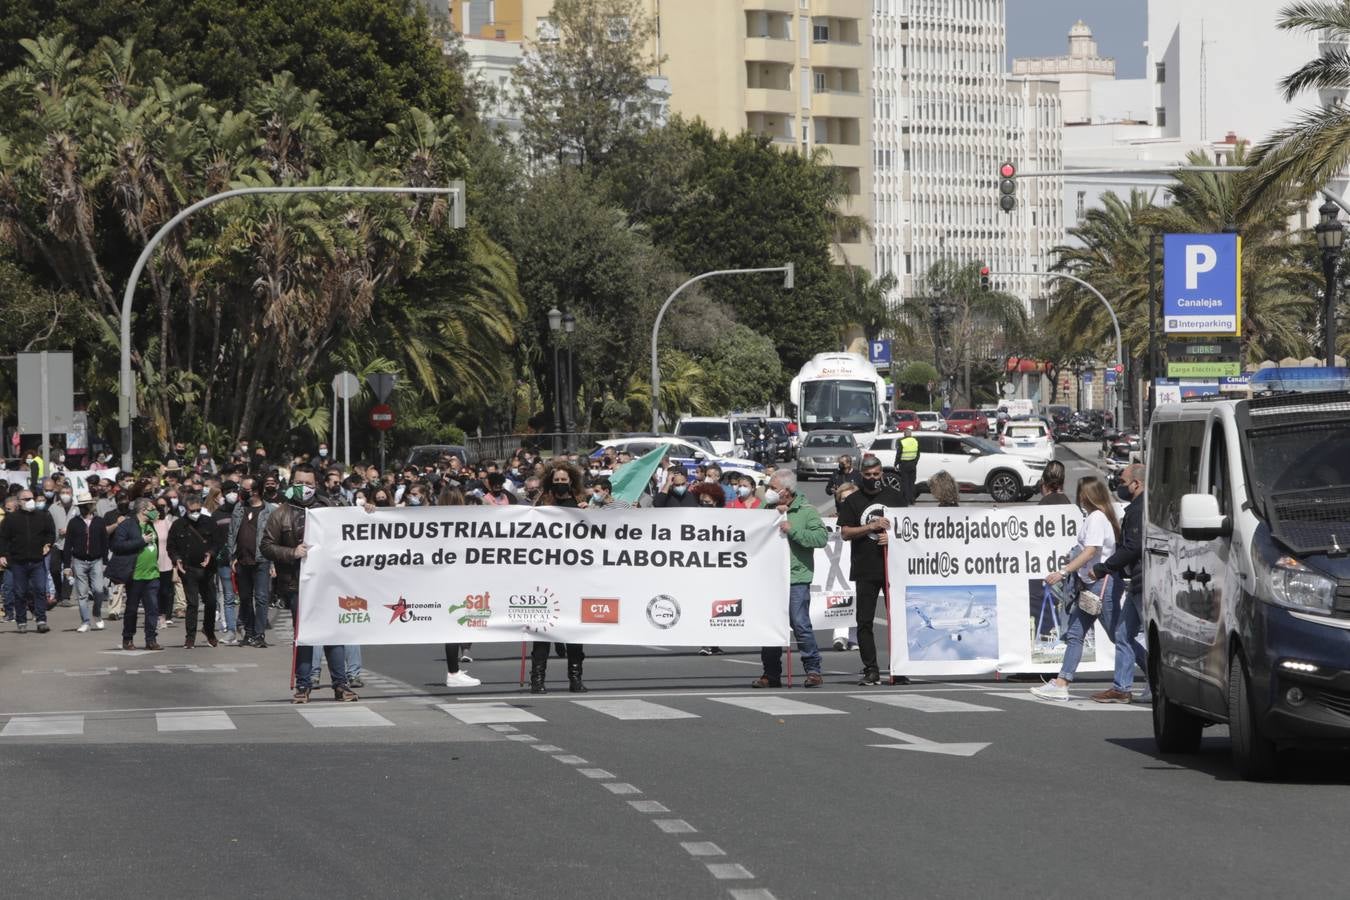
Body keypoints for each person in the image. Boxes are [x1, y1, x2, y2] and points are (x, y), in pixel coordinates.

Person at [262, 464, 357, 703]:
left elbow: (352, 528)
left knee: (332, 633)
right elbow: (266, 546)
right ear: (291, 483)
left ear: (316, 485)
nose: (304, 488)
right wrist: (291, 552)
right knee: (304, 634)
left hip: (327, 583)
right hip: (296, 584)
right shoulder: (280, 513)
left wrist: (367, 511)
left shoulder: (328, 508)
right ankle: (303, 685)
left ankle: (340, 684)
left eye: (308, 484)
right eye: (299, 483)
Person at [1030, 477, 1120, 702]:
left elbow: (1091, 551)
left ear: (1086, 495)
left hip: (1099, 585)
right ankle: (1062, 683)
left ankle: (1154, 676)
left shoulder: (1096, 518)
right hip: (1091, 585)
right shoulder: (1095, 517)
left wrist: (1063, 571)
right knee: (1075, 634)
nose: (1078, 496)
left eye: (1080, 492)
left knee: (1119, 636)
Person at [752, 470, 829, 689]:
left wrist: (793, 531)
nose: (769, 492)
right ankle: (771, 674)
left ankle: (813, 670)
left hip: (796, 577)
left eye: (774, 488)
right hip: (771, 579)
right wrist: (771, 514)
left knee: (800, 623)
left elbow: (821, 538)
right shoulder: (766, 509)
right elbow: (749, 526)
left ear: (787, 491)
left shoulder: (806, 512)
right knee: (771, 626)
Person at [837, 456, 907, 685]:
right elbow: (845, 532)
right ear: (861, 475)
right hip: (865, 567)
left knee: (897, 619)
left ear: (882, 474)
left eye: (876, 474)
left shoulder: (895, 498)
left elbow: (909, 530)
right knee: (864, 621)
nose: (872, 479)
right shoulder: (853, 501)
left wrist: (892, 538)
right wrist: (871, 526)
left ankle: (898, 667)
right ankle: (871, 668)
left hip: (892, 567)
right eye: (868, 475)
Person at [1090, 463, 1149, 704]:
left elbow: (1133, 547)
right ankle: (1122, 687)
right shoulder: (1141, 506)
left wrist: (1105, 567)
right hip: (1138, 581)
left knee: (1141, 637)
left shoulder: (1139, 509)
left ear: (1137, 483)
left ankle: (1159, 684)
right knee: (1123, 634)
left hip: (1144, 581)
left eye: (1124, 483)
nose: (1121, 487)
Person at [529, 461, 588, 694]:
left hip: (574, 576)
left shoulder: (580, 503)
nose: (561, 484)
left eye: (565, 480)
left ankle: (575, 679)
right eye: (557, 480)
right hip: (546, 576)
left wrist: (587, 513)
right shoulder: (541, 503)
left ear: (571, 481)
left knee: (574, 629)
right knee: (542, 630)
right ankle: (538, 680)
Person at [168, 493, 222, 649]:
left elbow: (218, 543)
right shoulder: (178, 525)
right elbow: (171, 546)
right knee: (192, 603)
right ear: (186, 510)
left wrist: (210, 553)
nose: (195, 513)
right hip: (188, 569)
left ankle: (209, 630)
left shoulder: (209, 522)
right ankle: (190, 636)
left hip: (207, 569)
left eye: (198, 509)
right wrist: (176, 559)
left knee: (211, 602)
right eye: (192, 511)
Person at [109, 498, 164, 651]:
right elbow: (117, 546)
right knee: (132, 609)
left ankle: (151, 639)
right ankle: (128, 638)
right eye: (152, 508)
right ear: (143, 510)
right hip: (134, 575)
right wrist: (141, 541)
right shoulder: (127, 525)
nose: (155, 511)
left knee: (152, 608)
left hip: (152, 574)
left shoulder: (150, 525)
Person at [0, 486, 56, 633]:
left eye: (32, 498)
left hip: (37, 561)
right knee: (20, 592)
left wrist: (48, 544)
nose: (31, 501)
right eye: (27, 499)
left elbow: (50, 533)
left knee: (39, 590)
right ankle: (21, 620)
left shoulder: (42, 516)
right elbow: (3, 538)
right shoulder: (11, 519)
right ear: (19, 502)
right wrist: (2, 555)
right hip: (18, 562)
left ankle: (41, 620)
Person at [227, 477, 274, 648]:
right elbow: (232, 532)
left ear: (255, 491)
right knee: (245, 599)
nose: (241, 491)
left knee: (261, 598)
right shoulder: (239, 508)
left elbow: (272, 538)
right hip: (242, 560)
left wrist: (273, 563)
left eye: (244, 488)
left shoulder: (269, 510)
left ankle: (259, 634)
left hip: (261, 561)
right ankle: (249, 632)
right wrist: (232, 557)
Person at [62, 490, 107, 633]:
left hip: (96, 560)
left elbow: (104, 542)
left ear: (91, 505)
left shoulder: (99, 521)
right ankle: (85, 621)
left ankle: (97, 613)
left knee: (99, 590)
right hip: (79, 560)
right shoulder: (74, 523)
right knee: (82, 593)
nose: (85, 507)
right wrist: (67, 566)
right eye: (82, 505)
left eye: (87, 504)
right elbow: (68, 544)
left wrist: (105, 561)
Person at [830, 481, 860, 653]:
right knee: (839, 596)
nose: (846, 501)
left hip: (856, 560)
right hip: (836, 564)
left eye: (850, 498)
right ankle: (840, 636)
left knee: (857, 599)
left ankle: (854, 637)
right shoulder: (832, 518)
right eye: (843, 499)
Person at [897, 427, 921, 505]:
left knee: (905, 483)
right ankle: (912, 500)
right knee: (912, 483)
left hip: (904, 464)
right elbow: (918, 454)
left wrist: (896, 463)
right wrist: (915, 462)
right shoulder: (915, 441)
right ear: (910, 434)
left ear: (904, 434)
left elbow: (899, 454)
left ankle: (906, 500)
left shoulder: (902, 441)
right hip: (913, 464)